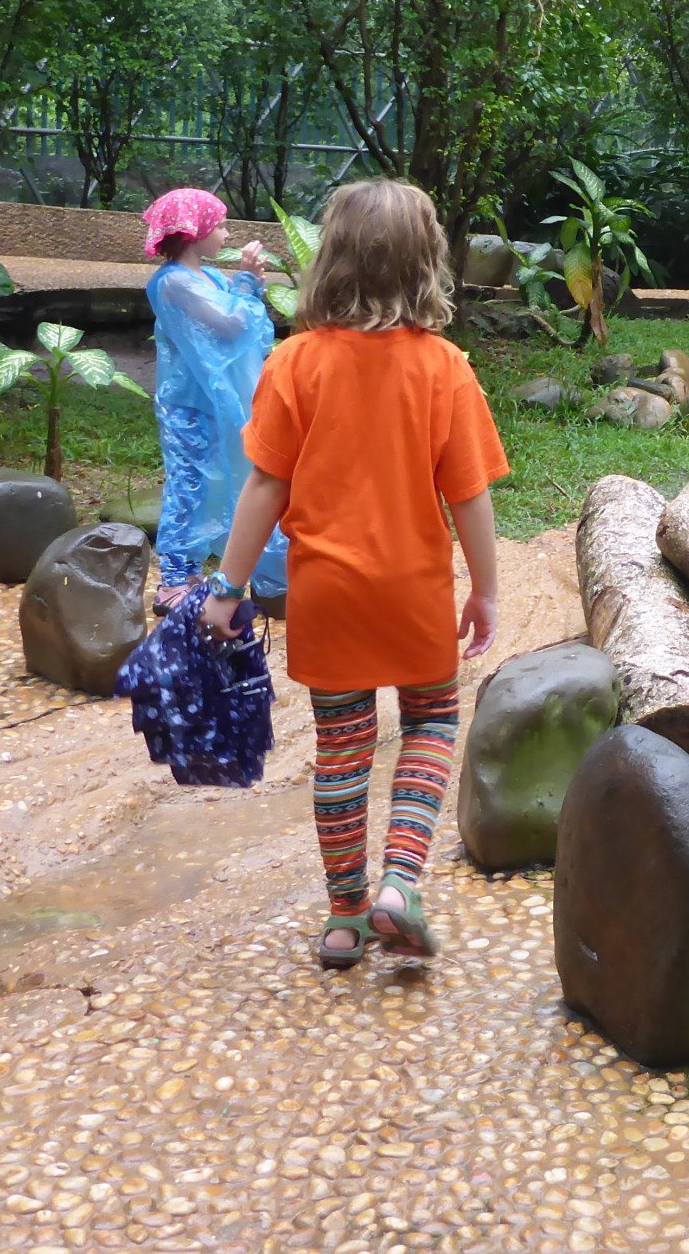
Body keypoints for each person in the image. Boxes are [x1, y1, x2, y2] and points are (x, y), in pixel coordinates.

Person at [201, 180, 504, 969]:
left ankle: (344, 918)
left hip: (326, 592)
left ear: (331, 261)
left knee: (341, 745)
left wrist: (227, 590)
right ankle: (401, 881)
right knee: (433, 722)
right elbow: (467, 493)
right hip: (412, 589)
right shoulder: (445, 367)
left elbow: (264, 485)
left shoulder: (294, 362)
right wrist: (486, 588)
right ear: (426, 264)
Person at [144, 189, 288, 614]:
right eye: (220, 226)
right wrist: (244, 282)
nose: (226, 234)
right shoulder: (173, 282)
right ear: (194, 233)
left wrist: (247, 287)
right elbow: (228, 328)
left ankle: (245, 571)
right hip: (189, 407)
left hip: (212, 402)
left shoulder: (206, 278)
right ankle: (173, 579)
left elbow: (247, 329)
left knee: (225, 481)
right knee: (190, 484)